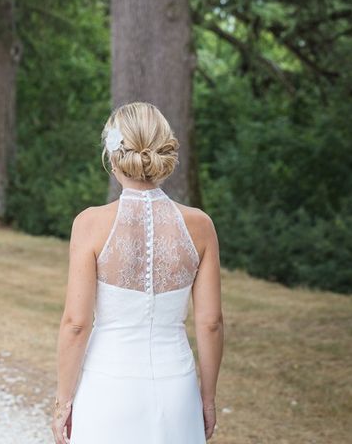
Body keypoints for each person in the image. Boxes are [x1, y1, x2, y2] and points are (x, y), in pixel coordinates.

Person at [52, 102, 224, 443]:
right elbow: (211, 323)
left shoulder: (90, 224)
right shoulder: (200, 226)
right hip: (177, 387)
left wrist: (62, 401)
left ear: (114, 155)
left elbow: (76, 323)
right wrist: (207, 398)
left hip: (108, 386)